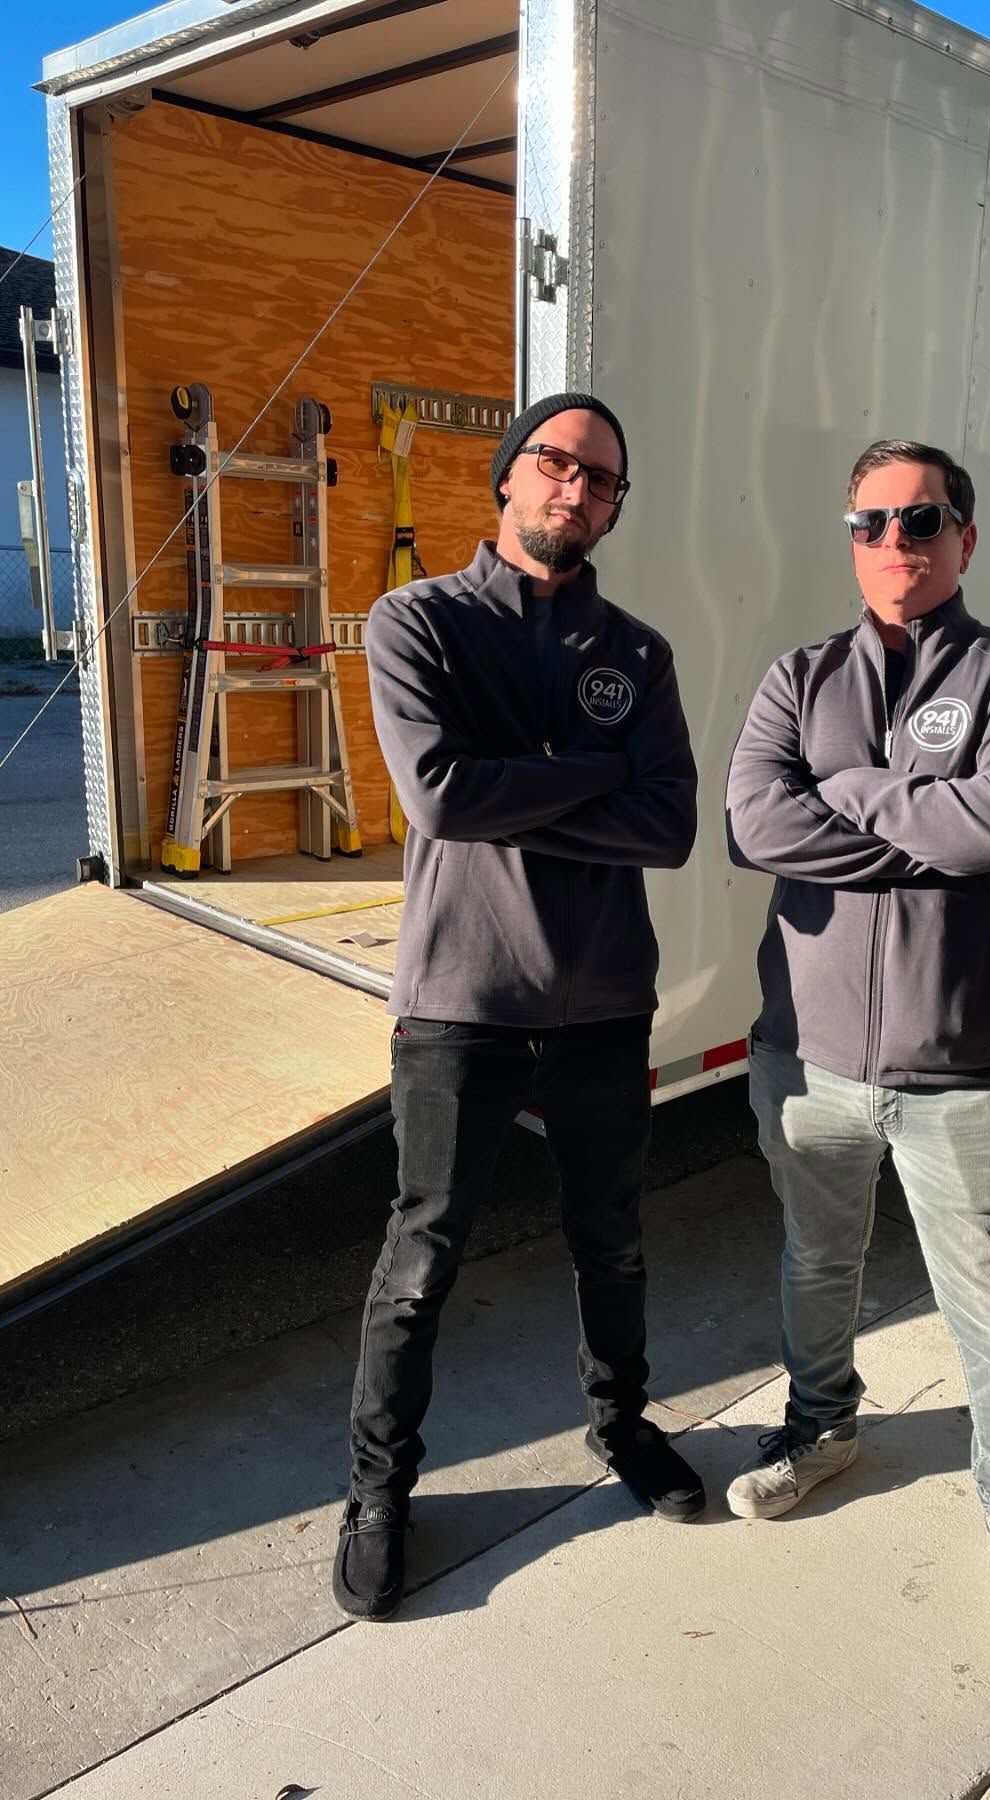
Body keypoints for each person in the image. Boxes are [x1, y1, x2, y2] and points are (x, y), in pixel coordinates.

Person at [333, 394, 703, 1623]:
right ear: (507, 479)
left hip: (602, 1002)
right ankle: (380, 1490)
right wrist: (599, 772)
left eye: (601, 480)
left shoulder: (637, 653)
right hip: (462, 1001)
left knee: (614, 1237)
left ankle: (622, 1425)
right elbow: (438, 797)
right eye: (555, 465)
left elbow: (673, 824)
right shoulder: (418, 621)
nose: (575, 491)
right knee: (422, 1255)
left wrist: (525, 782)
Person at [724, 438, 990, 1666]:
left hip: (965, 1066)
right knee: (815, 1269)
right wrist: (923, 816)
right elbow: (755, 823)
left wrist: (856, 788)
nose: (895, 544)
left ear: (965, 538)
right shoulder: (797, 675)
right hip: (806, 1058)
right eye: (870, 524)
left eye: (922, 521)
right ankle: (821, 1430)